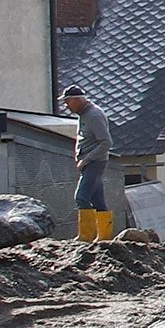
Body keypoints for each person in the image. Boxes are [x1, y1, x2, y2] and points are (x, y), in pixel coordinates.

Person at [65, 84, 116, 241]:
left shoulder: (93, 115)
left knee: (82, 197)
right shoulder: (84, 114)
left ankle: (86, 236)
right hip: (89, 163)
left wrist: (86, 159)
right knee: (98, 201)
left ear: (77, 100)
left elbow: (106, 142)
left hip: (95, 162)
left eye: (68, 102)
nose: (66, 106)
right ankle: (104, 238)